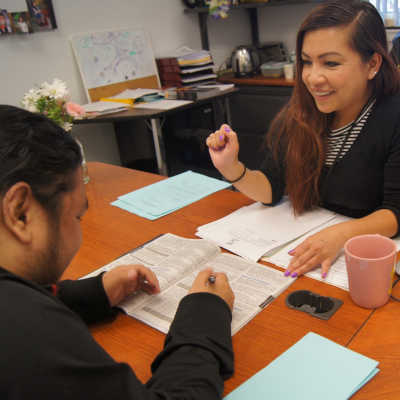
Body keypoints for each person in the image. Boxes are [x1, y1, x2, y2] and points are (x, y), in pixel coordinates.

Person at [0, 105, 234, 399]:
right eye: (76, 217)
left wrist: (91, 295)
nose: (79, 233)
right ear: (20, 213)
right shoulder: (26, 333)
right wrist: (205, 315)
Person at [207, 0, 400, 278]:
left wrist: (340, 235)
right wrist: (232, 169)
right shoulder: (302, 111)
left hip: (366, 264)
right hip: (304, 254)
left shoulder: (392, 115)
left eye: (331, 63)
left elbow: (395, 211)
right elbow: (271, 188)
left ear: (372, 64)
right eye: (306, 62)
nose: (312, 78)